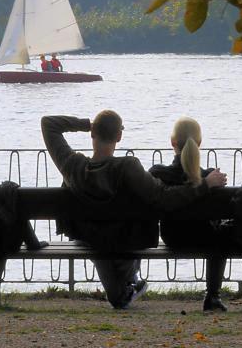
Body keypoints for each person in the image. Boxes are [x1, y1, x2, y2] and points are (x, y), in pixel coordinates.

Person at [41, 111, 227, 309]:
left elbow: (48, 123)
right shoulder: (128, 167)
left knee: (98, 242)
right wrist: (204, 185)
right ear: (119, 137)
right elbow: (163, 197)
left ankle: (124, 290)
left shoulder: (72, 166)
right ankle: (127, 286)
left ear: (92, 134)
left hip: (89, 237)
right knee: (116, 241)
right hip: (124, 242)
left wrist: (87, 124)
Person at [149, 117, 231, 312]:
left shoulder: (158, 173)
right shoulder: (212, 176)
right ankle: (212, 296)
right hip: (207, 239)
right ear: (200, 143)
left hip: (172, 237)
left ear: (172, 143)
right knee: (220, 236)